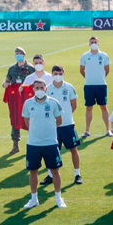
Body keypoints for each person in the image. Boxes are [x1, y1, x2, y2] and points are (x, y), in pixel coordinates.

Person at [21, 80, 66, 209]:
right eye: (37, 88)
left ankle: (58, 198)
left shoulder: (53, 103)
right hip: (33, 144)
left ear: (46, 88)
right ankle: (34, 199)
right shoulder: (28, 103)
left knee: (55, 171)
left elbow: (59, 121)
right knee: (33, 171)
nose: (39, 90)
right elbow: (27, 121)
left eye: (42, 87)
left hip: (50, 143)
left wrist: (48, 131)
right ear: (33, 89)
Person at [24, 54, 57, 186]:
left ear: (44, 63)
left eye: (40, 62)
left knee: (54, 164)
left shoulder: (50, 77)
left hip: (49, 119)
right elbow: (26, 116)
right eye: (35, 62)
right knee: (33, 169)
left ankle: (53, 183)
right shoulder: (29, 78)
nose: (38, 64)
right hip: (35, 121)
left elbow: (58, 118)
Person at [48, 65, 83, 185]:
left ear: (63, 74)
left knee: (73, 149)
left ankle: (77, 174)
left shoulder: (69, 87)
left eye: (60, 73)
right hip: (53, 126)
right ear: (52, 74)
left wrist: (65, 117)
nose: (58, 76)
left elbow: (74, 105)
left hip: (68, 124)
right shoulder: (47, 88)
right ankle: (50, 175)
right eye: (55, 74)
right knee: (52, 151)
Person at [3, 47, 35, 155]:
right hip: (15, 98)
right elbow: (7, 80)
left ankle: (33, 142)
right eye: (17, 53)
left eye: (20, 53)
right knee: (15, 118)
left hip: (27, 98)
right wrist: (5, 84)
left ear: (24, 55)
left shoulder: (31, 68)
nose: (18, 55)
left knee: (30, 118)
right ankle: (15, 145)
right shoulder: (12, 69)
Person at [79, 36, 111, 138]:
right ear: (89, 44)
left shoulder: (104, 55)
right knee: (89, 107)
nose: (93, 43)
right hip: (89, 86)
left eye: (95, 42)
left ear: (98, 43)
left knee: (103, 106)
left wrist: (101, 77)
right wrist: (88, 78)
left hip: (101, 85)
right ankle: (87, 130)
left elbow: (107, 69)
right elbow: (81, 70)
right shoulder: (84, 56)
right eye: (92, 42)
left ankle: (108, 130)